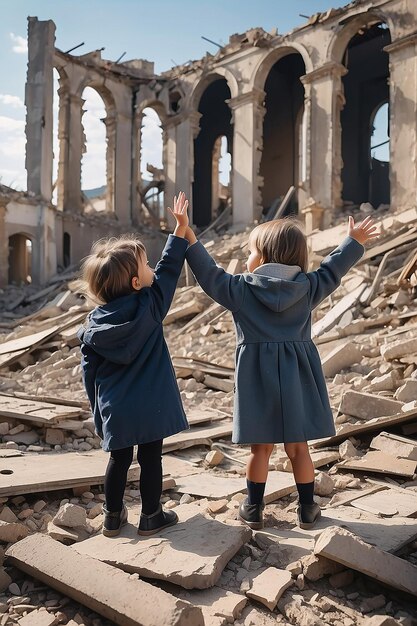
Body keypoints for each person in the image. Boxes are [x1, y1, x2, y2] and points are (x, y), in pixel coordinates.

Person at [183, 214, 377, 530]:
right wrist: (353, 241)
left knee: (260, 448)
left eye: (250, 251)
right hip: (297, 376)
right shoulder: (308, 287)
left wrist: (190, 238)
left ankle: (254, 508)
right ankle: (307, 508)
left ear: (265, 256)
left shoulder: (241, 290)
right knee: (298, 447)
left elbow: (209, 275)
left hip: (256, 379)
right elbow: (333, 269)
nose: (247, 257)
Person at [78, 192, 190, 537]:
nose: (152, 266)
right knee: (151, 460)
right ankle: (151, 516)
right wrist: (179, 231)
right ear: (136, 283)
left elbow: (89, 376)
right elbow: (170, 270)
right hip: (152, 407)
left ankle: (112, 518)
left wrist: (99, 411)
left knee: (119, 460)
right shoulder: (151, 306)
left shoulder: (92, 328)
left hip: (117, 407)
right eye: (145, 264)